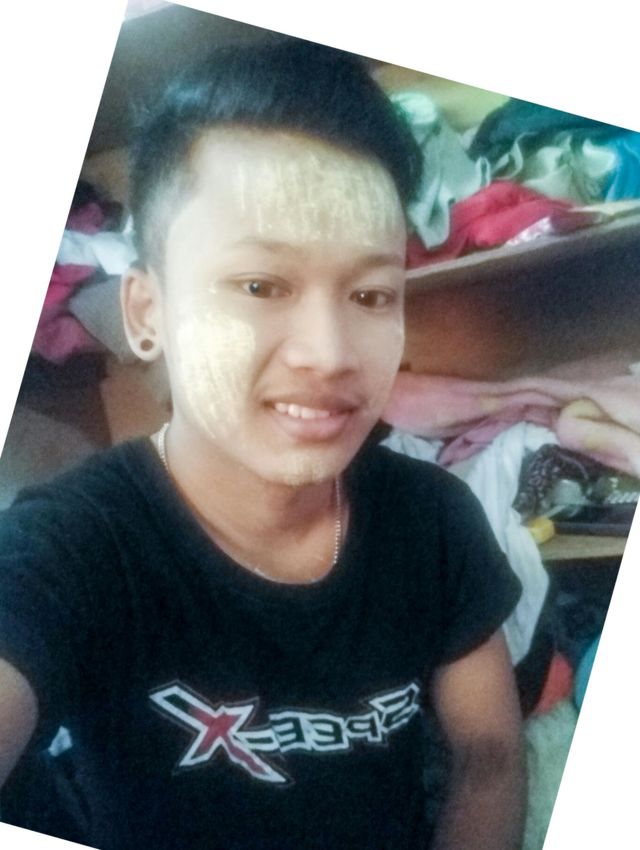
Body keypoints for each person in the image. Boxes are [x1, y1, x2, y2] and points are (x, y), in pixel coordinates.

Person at [0, 40, 526, 849]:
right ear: (146, 314)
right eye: (260, 285)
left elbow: (488, 757)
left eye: (370, 294)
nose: (330, 353)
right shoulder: (70, 549)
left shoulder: (433, 518)